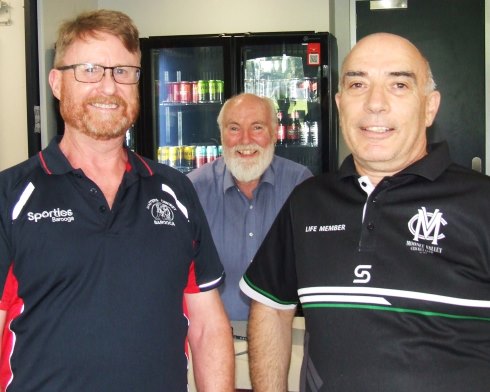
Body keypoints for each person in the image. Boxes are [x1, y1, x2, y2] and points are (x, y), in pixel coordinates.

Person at [240, 32, 490, 392]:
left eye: (399, 85)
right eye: (358, 84)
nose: (375, 103)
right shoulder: (307, 201)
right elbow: (271, 308)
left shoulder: (481, 203)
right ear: (340, 104)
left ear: (430, 106)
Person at [0, 9, 234, 391]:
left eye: (124, 72)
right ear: (57, 82)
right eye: (89, 69)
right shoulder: (11, 196)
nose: (109, 87)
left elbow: (207, 327)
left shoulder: (176, 191)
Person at [188, 93, 312, 321]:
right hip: (214, 334)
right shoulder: (194, 189)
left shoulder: (299, 183)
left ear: (274, 133)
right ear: (221, 134)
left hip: (283, 332)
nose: (245, 140)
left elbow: (314, 267)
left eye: (257, 128)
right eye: (234, 128)